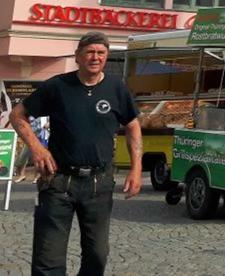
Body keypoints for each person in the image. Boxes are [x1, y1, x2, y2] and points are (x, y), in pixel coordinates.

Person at [12, 32, 142, 276]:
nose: (95, 57)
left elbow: (133, 125)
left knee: (97, 255)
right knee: (48, 258)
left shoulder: (116, 87)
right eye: (90, 52)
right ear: (78, 57)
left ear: (106, 57)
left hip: (99, 183)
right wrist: (37, 148)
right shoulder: (57, 86)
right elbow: (17, 115)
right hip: (59, 181)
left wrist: (136, 168)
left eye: (101, 53)